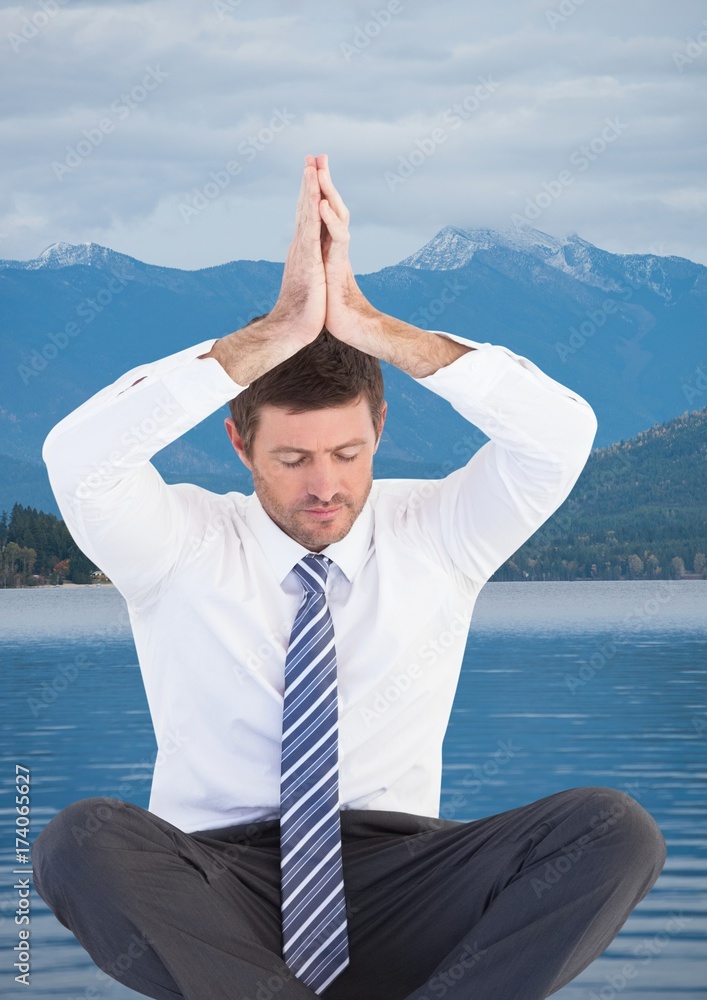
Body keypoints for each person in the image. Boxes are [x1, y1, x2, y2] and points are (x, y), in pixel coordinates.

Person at [32, 153, 667, 1000]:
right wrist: (273, 333)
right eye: (291, 458)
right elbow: (76, 458)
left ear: (381, 428)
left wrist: (373, 328)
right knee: (79, 840)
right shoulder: (178, 541)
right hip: (220, 887)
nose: (323, 485)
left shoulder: (440, 530)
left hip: (405, 874)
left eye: (346, 453)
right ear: (238, 444)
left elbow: (559, 434)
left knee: (610, 830)